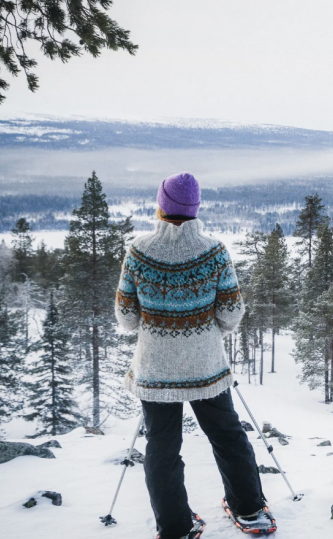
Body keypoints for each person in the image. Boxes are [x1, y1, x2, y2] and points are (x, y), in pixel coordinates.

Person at [115, 172, 275, 539]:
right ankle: (250, 511)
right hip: (206, 365)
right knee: (228, 436)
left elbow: (126, 319)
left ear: (162, 205)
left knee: (162, 448)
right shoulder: (214, 251)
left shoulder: (138, 251)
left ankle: (175, 527)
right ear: (195, 208)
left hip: (155, 368)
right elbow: (232, 314)